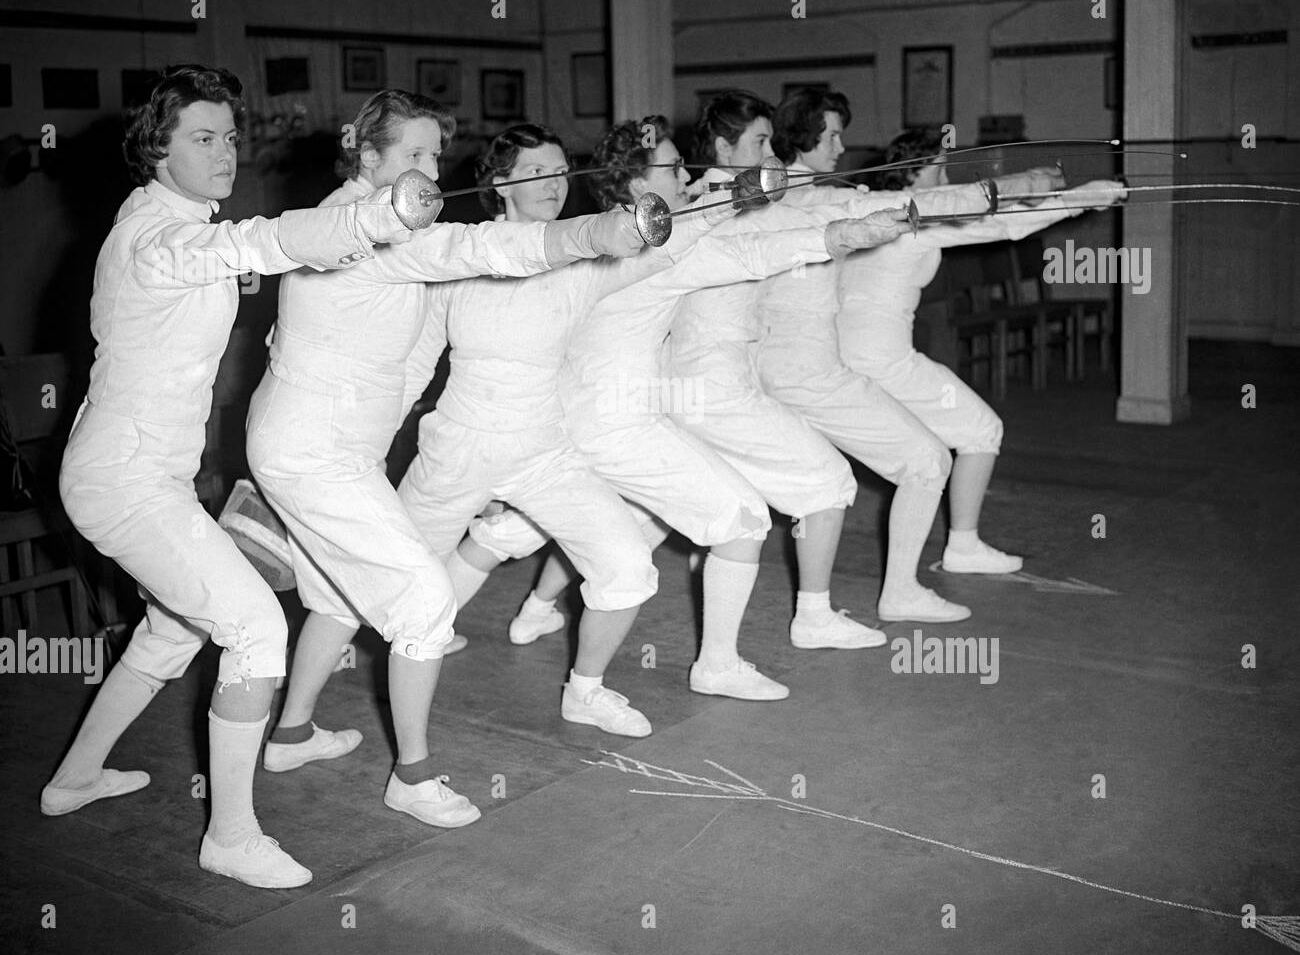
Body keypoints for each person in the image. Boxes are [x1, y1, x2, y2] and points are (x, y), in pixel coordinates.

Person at [42, 64, 412, 888]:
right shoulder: (156, 235)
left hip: (151, 476)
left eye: (230, 136)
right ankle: (231, 836)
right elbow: (258, 241)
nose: (225, 151)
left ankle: (74, 778)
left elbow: (241, 252)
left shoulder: (179, 222)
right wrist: (374, 217)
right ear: (156, 148)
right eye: (203, 138)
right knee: (255, 627)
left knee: (173, 629)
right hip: (121, 479)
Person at [248, 96, 645, 818]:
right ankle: (411, 775)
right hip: (317, 450)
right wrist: (593, 231)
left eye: (436, 157)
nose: (431, 173)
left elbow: (403, 363)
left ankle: (293, 731)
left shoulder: (371, 222)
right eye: (413, 156)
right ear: (366, 157)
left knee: (348, 589)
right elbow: (483, 249)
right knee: (423, 605)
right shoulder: (361, 228)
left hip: (337, 447)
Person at [466, 115, 908, 702]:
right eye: (672, 169)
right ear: (631, 187)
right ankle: (713, 665)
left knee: (527, 527)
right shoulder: (642, 247)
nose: (686, 176)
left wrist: (823, 221)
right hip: (615, 423)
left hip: (588, 415)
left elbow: (719, 234)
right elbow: (745, 254)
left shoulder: (596, 232)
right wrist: (839, 236)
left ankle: (478, 616)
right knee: (741, 517)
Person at [394, 123, 665, 737]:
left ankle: (586, 692)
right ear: (501, 184)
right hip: (458, 447)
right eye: (537, 172)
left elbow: (668, 245)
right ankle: (296, 691)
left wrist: (719, 201)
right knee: (389, 575)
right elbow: (414, 365)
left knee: (625, 565)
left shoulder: (585, 256)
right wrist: (364, 448)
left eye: (560, 170)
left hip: (543, 449)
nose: (554, 184)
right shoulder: (460, 252)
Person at [756, 87, 1061, 622]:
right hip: (832, 365)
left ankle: (832, 604)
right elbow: (970, 215)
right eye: (831, 134)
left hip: (815, 359)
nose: (841, 143)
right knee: (925, 459)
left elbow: (950, 211)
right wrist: (1038, 189)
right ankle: (896, 590)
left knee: (833, 481)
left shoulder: (841, 198)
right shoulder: (825, 200)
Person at [836, 127, 1127, 571]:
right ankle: (962, 547)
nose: (946, 178)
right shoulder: (917, 215)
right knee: (980, 430)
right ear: (919, 170)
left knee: (923, 448)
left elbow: (985, 211)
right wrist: (1084, 198)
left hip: (839, 359)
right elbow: (1001, 225)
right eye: (940, 168)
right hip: (883, 363)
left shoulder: (867, 206)